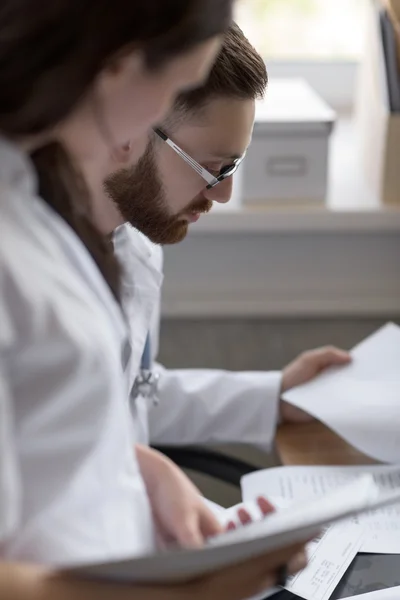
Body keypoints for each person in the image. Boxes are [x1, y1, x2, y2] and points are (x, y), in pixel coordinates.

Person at [0, 2, 310, 600]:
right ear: (115, 68)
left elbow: (83, 409)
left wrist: (145, 468)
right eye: (169, 87)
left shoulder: (65, 229)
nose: (132, 140)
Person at [100, 23, 352, 447]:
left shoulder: (135, 237)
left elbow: (131, 397)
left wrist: (273, 397)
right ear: (128, 131)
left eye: (232, 168)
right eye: (212, 167)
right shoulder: (26, 276)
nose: (223, 193)